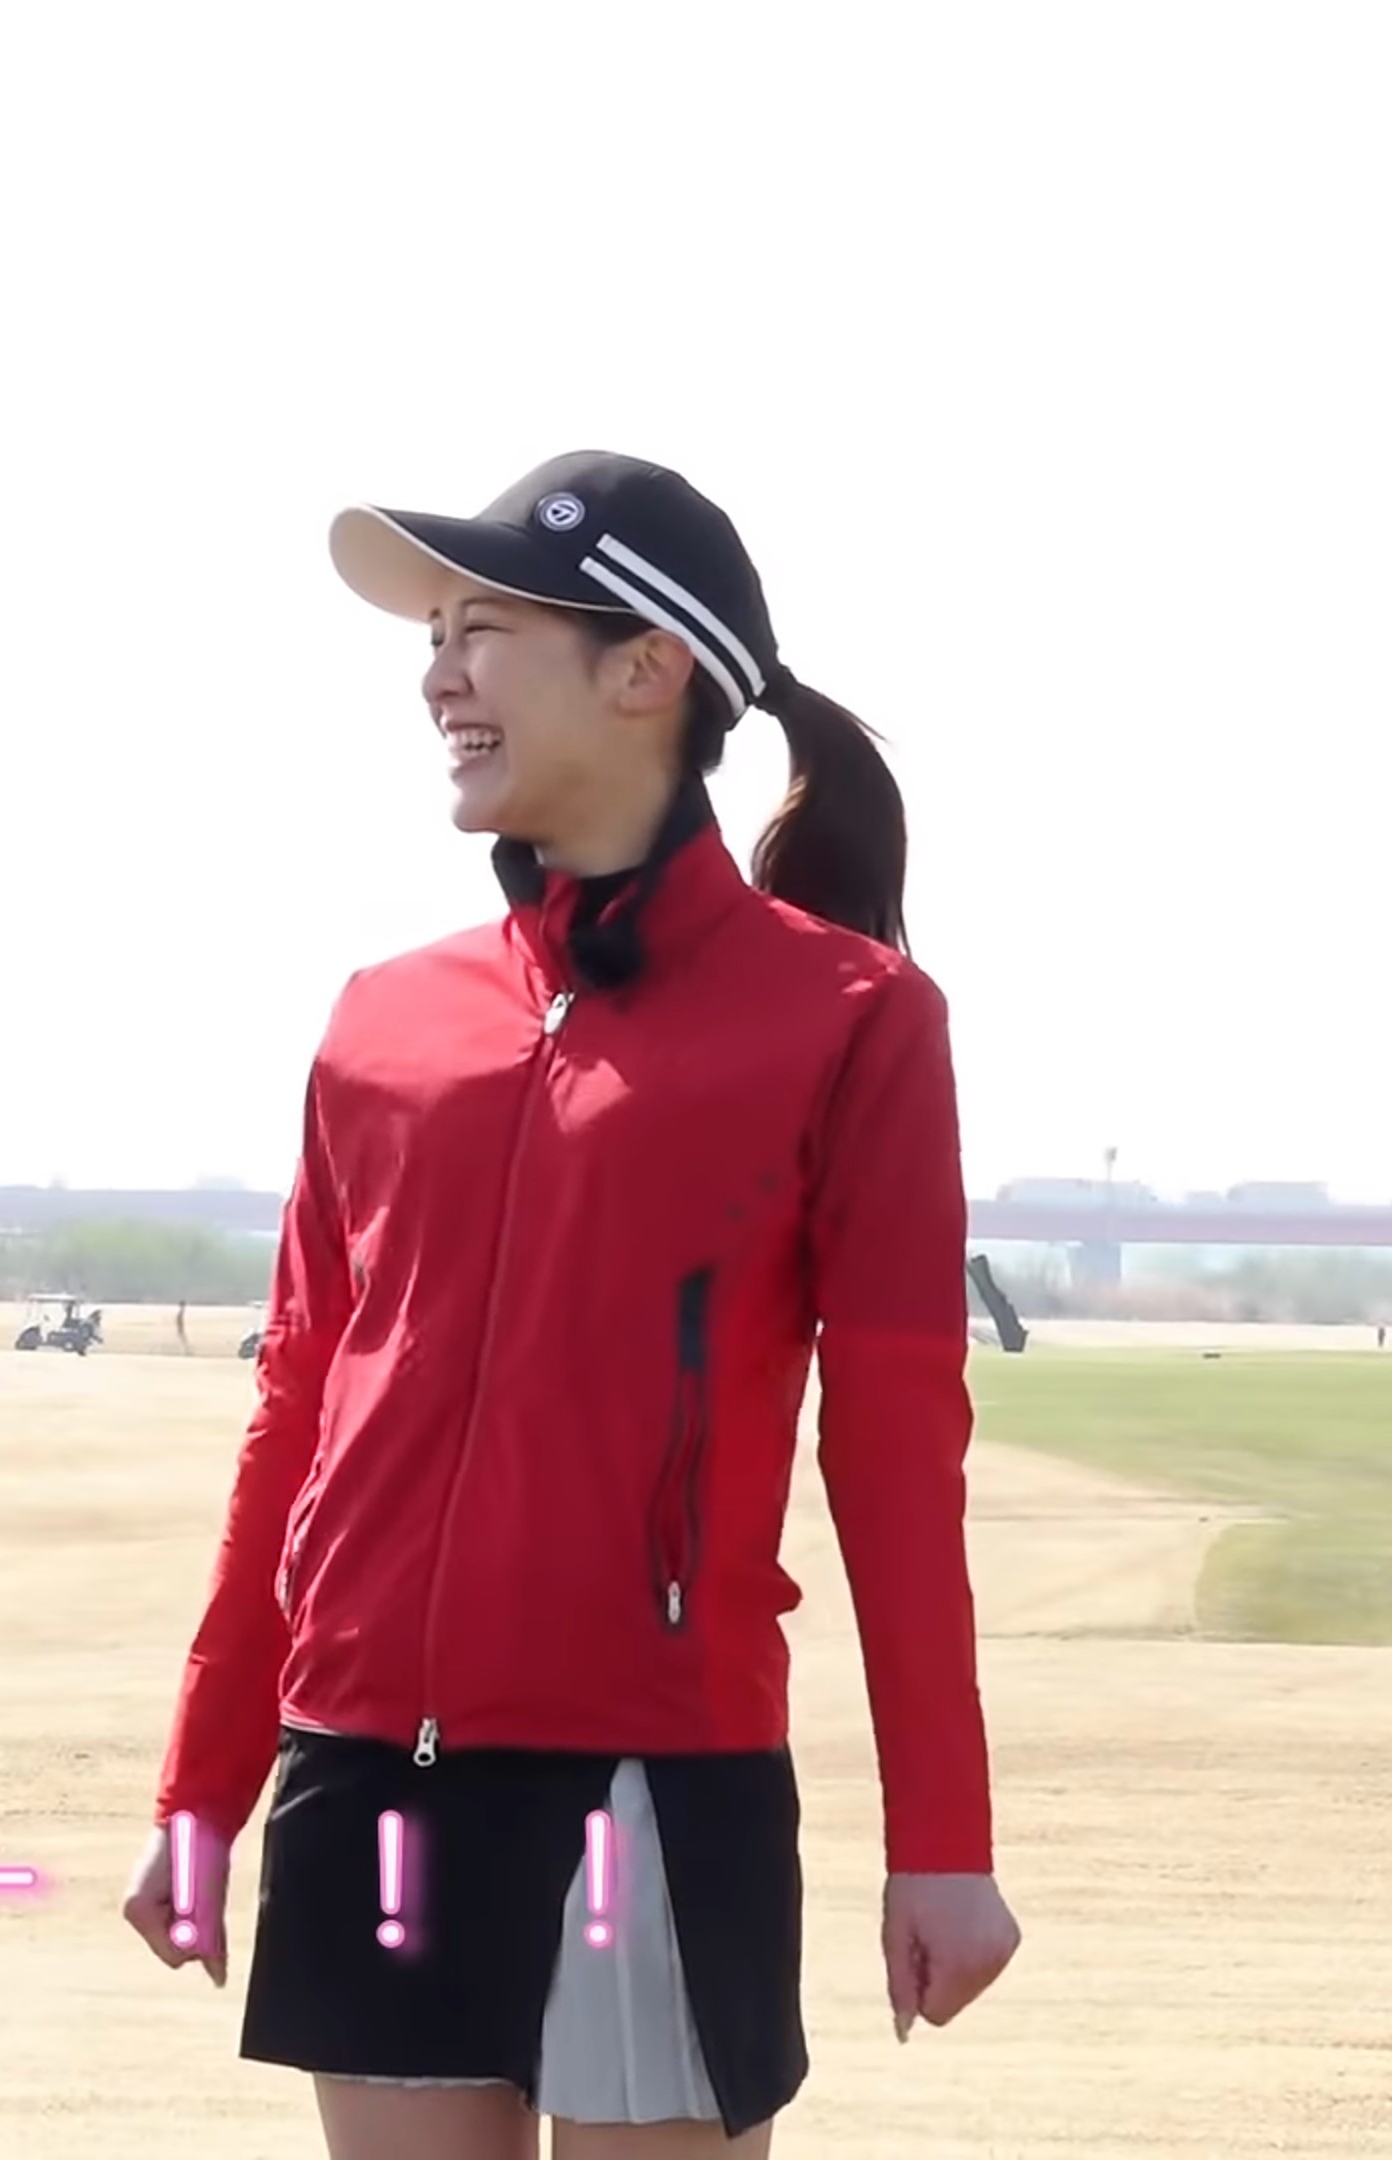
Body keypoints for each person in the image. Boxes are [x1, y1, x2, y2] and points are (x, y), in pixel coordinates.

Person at [121, 454, 1023, 2157]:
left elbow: (898, 1458)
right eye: (431, 639)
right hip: (367, 1776)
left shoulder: (849, 1018)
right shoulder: (383, 1021)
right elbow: (295, 1415)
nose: (436, 677)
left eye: (481, 630)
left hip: (647, 1787)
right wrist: (201, 1789)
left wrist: (942, 1843)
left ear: (644, 669)